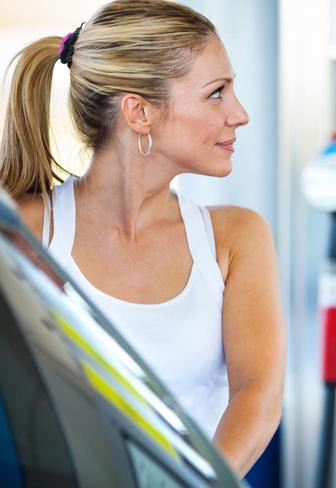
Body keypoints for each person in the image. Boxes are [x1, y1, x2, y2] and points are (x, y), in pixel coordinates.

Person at [0, 0, 285, 477]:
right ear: (139, 113)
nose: (240, 114)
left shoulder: (236, 239)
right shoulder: (27, 232)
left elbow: (259, 394)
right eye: (216, 93)